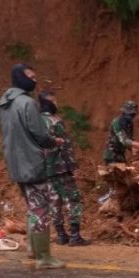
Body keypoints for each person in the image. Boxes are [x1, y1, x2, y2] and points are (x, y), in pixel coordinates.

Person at [0, 64, 65, 269]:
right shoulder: (28, 103)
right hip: (32, 164)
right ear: (20, 77)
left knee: (32, 207)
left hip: (15, 164)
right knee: (41, 210)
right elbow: (40, 135)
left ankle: (32, 250)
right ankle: (44, 257)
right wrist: (54, 142)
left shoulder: (2, 105)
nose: (34, 80)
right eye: (31, 76)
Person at [38, 91, 90, 247]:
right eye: (55, 101)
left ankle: (61, 235)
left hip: (45, 171)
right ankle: (75, 236)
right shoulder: (56, 121)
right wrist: (74, 168)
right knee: (73, 201)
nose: (57, 104)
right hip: (61, 169)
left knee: (55, 203)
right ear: (49, 102)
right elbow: (65, 147)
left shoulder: (36, 122)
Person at [103, 100, 139, 165]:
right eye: (130, 114)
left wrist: (133, 148)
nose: (132, 117)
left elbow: (129, 139)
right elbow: (124, 140)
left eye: (133, 115)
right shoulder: (116, 123)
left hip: (121, 154)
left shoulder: (129, 124)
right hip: (112, 154)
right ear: (124, 112)